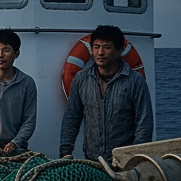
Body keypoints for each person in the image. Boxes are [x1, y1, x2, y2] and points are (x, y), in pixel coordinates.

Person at [60, 25, 153, 161]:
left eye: (107, 47)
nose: (100, 52)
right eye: (96, 47)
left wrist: (136, 158)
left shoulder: (135, 81)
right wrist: (65, 152)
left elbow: (144, 123)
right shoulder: (81, 79)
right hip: (92, 159)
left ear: (119, 51)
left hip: (124, 160)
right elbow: (72, 116)